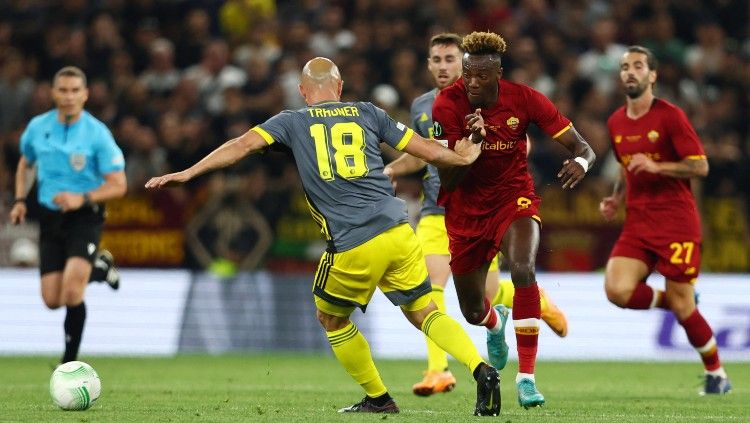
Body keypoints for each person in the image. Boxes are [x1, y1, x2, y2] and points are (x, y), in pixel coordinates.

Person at [146, 57, 504, 416]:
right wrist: (461, 158)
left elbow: (241, 145)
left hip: (354, 239)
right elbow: (423, 148)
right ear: (340, 87)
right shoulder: (369, 113)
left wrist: (189, 172)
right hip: (398, 230)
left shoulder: (292, 121)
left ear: (303, 92)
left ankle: (379, 399)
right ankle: (481, 369)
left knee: (330, 318)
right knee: (424, 310)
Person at [384, 33, 569, 397]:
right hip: (439, 207)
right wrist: (392, 170)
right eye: (435, 60)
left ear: (464, 62)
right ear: (428, 64)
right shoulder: (425, 106)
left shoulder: (499, 99)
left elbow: (521, 138)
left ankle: (532, 303)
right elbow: (425, 152)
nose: (443, 67)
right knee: (433, 287)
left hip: (495, 204)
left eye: (449, 59)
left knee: (490, 291)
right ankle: (438, 369)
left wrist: (487, 144)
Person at [431, 32, 596, 409]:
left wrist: (582, 162)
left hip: (513, 199)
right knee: (473, 311)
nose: (471, 82)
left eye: (480, 76)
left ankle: (526, 378)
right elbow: (449, 179)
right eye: (467, 74)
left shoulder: (524, 98)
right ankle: (496, 322)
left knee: (523, 269)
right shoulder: (447, 105)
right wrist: (469, 146)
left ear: (498, 74)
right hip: (466, 212)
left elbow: (583, 146)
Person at [599, 45, 731, 395]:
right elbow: (625, 167)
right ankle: (671, 299)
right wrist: (616, 198)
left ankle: (717, 373)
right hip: (638, 223)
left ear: (652, 75)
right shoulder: (615, 121)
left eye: (638, 66)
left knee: (684, 306)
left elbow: (700, 166)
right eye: (625, 67)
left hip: (676, 223)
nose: (630, 71)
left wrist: (659, 167)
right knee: (616, 290)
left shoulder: (671, 116)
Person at [9, 66, 126, 365]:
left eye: (75, 91)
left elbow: (118, 185)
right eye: (63, 90)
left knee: (73, 292)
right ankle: (99, 268)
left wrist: (82, 198)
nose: (69, 96)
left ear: (85, 95)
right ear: (53, 93)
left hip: (85, 216)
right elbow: (26, 163)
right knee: (52, 300)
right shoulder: (37, 127)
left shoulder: (98, 134)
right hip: (50, 217)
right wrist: (21, 200)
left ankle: (69, 363)